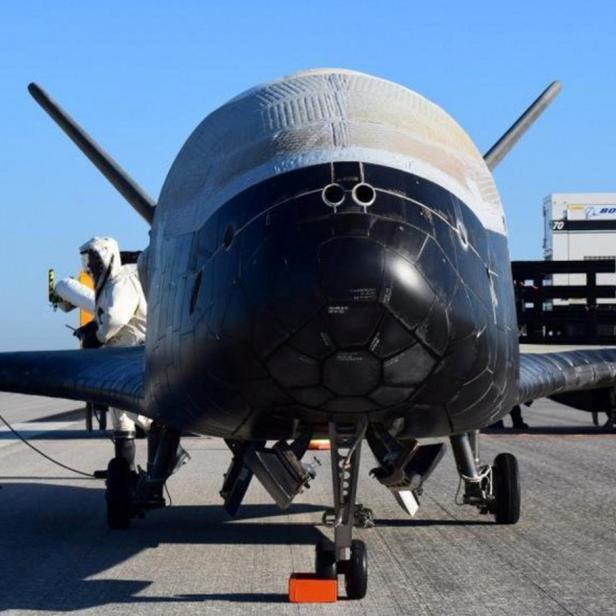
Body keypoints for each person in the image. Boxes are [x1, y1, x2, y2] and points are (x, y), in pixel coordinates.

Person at [74, 236, 150, 473]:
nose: (90, 265)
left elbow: (115, 319)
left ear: (108, 256)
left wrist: (95, 337)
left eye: (94, 258)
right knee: (122, 420)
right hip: (119, 356)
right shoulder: (109, 284)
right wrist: (91, 328)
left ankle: (167, 458)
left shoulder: (123, 281)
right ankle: (124, 469)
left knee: (141, 414)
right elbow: (104, 317)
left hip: (132, 355)